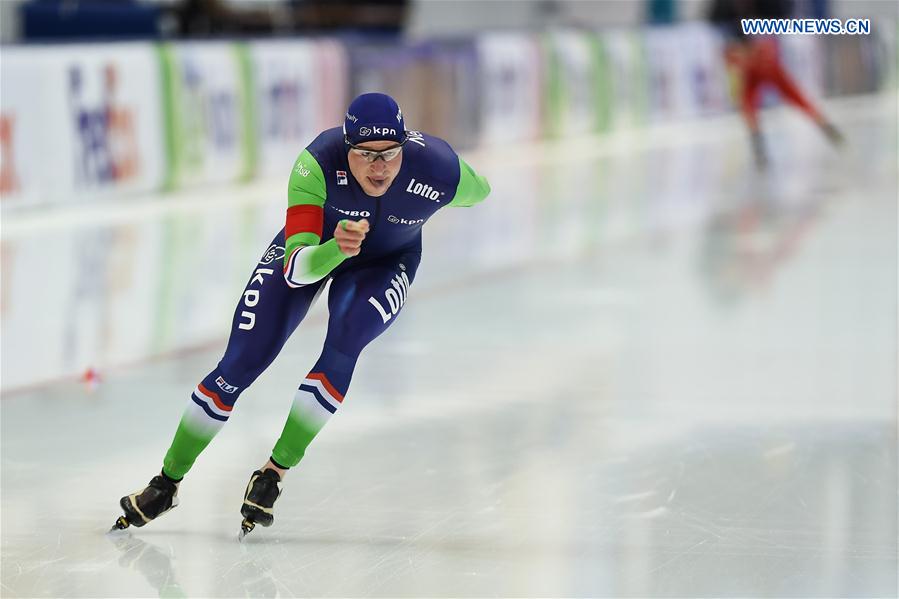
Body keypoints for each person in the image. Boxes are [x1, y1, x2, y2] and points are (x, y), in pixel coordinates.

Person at [111, 92, 491, 538]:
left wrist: (434, 195)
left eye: (389, 155)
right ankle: (165, 483)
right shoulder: (315, 164)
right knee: (241, 362)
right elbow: (294, 271)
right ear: (346, 149)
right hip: (312, 251)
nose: (379, 167)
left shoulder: (439, 167)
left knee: (346, 341)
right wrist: (335, 248)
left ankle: (273, 473)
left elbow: (480, 190)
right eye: (365, 155)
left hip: (386, 263)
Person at [709, 0, 843, 168]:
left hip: (763, 58)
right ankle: (759, 145)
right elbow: (716, 26)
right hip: (748, 61)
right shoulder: (724, 7)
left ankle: (824, 125)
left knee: (792, 95)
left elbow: (778, 19)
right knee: (749, 104)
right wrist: (739, 51)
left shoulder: (765, 7)